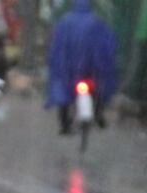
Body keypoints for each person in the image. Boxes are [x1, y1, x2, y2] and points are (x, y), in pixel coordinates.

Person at [44, 0, 117, 134]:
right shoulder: (96, 22)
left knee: (64, 92)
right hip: (90, 68)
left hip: (69, 70)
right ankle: (99, 115)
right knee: (98, 87)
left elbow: (55, 47)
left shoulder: (64, 22)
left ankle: (64, 123)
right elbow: (107, 46)